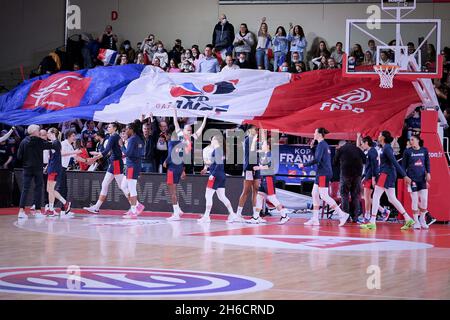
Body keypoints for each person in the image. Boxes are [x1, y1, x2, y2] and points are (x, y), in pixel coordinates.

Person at [84, 123, 144, 215]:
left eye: (109, 127)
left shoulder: (113, 137)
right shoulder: (114, 137)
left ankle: (136, 205)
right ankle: (96, 207)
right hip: (113, 163)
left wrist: (94, 159)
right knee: (106, 184)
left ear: (115, 128)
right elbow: (108, 152)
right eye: (107, 127)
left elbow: (106, 151)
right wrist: (96, 157)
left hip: (116, 163)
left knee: (122, 187)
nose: (107, 128)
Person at [360, 131, 414, 230]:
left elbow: (394, 162)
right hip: (388, 174)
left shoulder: (387, 148)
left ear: (383, 138)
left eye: (380, 135)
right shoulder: (384, 147)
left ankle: (372, 221)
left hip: (386, 174)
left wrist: (404, 175)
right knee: (392, 198)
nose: (378, 136)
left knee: (375, 196)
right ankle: (408, 218)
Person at [298, 128, 350, 227]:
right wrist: (312, 148)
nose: (313, 134)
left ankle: (342, 214)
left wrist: (303, 165)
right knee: (314, 193)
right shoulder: (322, 145)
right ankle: (315, 219)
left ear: (319, 134)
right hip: (321, 172)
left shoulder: (322, 145)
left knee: (324, 196)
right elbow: (319, 158)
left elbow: (317, 159)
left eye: (315, 132)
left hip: (323, 173)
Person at [166, 108, 208, 221]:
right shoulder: (180, 135)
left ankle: (176, 213)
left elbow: (201, 128)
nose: (189, 131)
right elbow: (175, 123)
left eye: (190, 130)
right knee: (173, 189)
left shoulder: (191, 138)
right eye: (187, 130)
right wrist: (174, 111)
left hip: (176, 165)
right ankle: (178, 209)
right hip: (180, 165)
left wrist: (205, 117)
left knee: (172, 190)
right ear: (183, 130)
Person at [17, 125, 56, 219]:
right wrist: (54, 138)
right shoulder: (40, 141)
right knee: (38, 189)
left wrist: (26, 161)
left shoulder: (23, 141)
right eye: (38, 131)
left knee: (25, 189)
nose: (39, 132)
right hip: (38, 169)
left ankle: (21, 211)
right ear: (34, 132)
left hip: (27, 168)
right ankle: (38, 211)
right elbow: (53, 145)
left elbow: (18, 156)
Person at [197, 135, 237, 224]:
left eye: (213, 138)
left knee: (208, 195)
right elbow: (215, 163)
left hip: (216, 175)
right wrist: (206, 169)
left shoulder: (218, 150)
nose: (211, 140)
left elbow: (219, 164)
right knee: (222, 196)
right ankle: (232, 214)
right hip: (221, 175)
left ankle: (206, 216)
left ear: (217, 140)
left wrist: (212, 174)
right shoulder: (219, 150)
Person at [252, 135, 290, 225]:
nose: (262, 146)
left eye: (264, 144)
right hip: (264, 178)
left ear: (268, 146)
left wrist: (259, 167)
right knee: (259, 196)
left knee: (272, 198)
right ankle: (256, 217)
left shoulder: (271, 154)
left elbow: (269, 166)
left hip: (269, 178)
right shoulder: (265, 154)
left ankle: (284, 215)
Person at [402, 135, 431, 229]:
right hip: (412, 179)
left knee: (424, 200)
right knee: (414, 200)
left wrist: (428, 173)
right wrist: (405, 177)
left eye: (412, 140)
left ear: (418, 140)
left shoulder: (424, 150)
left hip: (422, 179)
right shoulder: (407, 151)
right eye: (410, 140)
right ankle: (416, 221)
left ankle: (422, 219)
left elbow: (427, 163)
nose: (411, 141)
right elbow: (403, 166)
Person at [333, 140, 366, 222]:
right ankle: (355, 217)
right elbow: (365, 160)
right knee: (355, 196)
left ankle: (346, 217)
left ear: (341, 145)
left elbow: (334, 162)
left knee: (344, 195)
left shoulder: (341, 149)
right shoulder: (358, 149)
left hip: (345, 174)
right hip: (357, 175)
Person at [236, 125, 261, 223]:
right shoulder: (247, 140)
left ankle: (255, 215)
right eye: (255, 129)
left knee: (256, 191)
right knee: (246, 191)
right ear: (250, 130)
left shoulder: (255, 141)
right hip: (249, 168)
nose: (256, 130)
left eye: (257, 129)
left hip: (256, 168)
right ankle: (238, 214)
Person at [120, 121, 145, 219]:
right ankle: (138, 205)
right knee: (123, 186)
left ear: (131, 129)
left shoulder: (132, 139)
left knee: (132, 188)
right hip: (135, 165)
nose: (126, 131)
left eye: (127, 129)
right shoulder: (139, 139)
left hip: (131, 166)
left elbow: (128, 153)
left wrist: (121, 145)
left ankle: (134, 210)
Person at [45, 128, 72, 217]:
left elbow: (58, 156)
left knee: (51, 190)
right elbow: (52, 157)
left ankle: (52, 209)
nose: (47, 134)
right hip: (51, 168)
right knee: (49, 190)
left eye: (48, 133)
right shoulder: (53, 143)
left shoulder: (56, 143)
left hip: (54, 169)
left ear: (53, 133)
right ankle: (64, 203)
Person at [357, 134, 380, 223]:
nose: (362, 145)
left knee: (367, 197)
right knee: (366, 196)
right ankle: (382, 211)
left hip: (371, 177)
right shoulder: (370, 151)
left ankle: (367, 216)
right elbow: (358, 147)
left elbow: (375, 166)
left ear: (367, 143)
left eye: (363, 143)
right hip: (368, 176)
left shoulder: (372, 152)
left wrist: (374, 178)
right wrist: (358, 138)